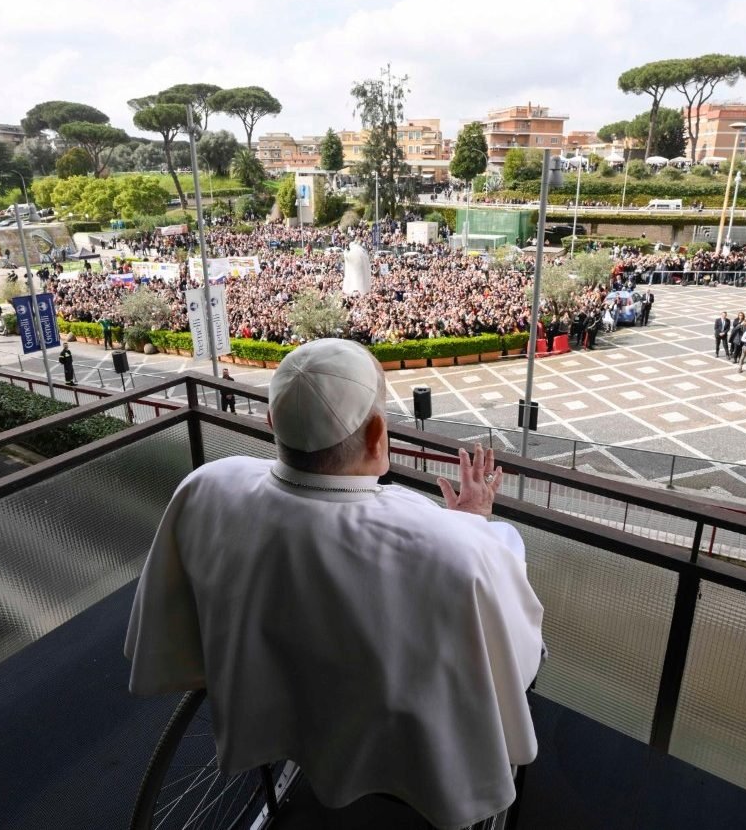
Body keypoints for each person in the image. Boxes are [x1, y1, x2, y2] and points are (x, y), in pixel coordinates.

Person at [126, 339, 544, 830]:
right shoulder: (452, 547)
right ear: (376, 435)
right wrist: (473, 522)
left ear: (272, 422)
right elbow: (514, 652)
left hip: (267, 690)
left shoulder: (210, 483)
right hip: (397, 734)